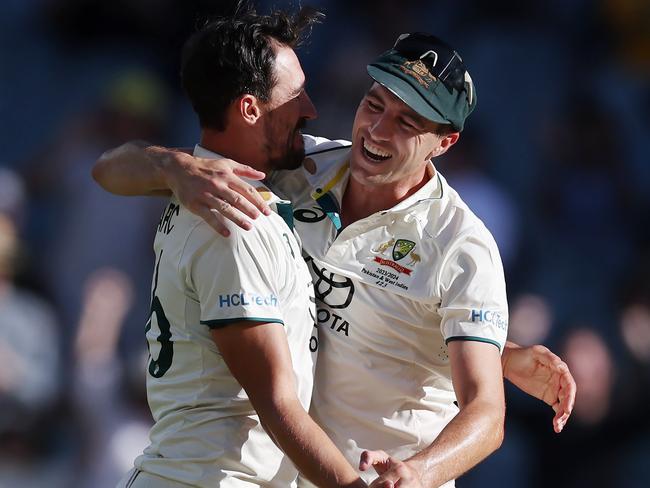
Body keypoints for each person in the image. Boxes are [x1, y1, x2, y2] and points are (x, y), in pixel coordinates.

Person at [95, 26, 576, 488]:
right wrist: (173, 166)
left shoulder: (462, 244)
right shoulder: (301, 165)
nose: (377, 130)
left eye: (407, 122)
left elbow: (487, 416)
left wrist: (421, 473)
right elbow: (109, 170)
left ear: (445, 143)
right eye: (374, 104)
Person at [112, 8, 369, 488]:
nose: (311, 108)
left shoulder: (212, 186)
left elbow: (111, 167)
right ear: (250, 109)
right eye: (295, 95)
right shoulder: (232, 218)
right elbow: (275, 404)